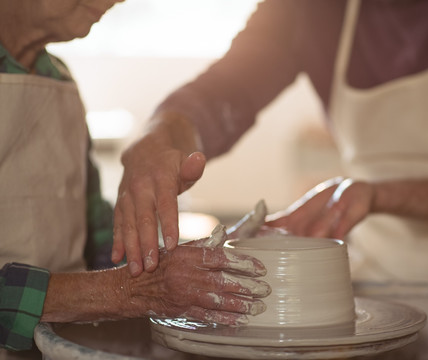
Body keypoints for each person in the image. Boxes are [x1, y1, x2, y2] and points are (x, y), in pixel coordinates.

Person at [114, 0, 428, 358]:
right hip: (383, 282)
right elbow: (225, 92)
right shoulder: (308, 8)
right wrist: (161, 134)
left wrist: (372, 195)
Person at [0, 1, 270, 358]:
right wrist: (132, 290)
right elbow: (119, 285)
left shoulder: (58, 81)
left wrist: (192, 262)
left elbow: (98, 244)